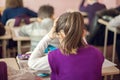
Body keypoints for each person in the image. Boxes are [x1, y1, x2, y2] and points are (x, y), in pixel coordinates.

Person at [28, 12, 104, 80]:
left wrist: (49, 36)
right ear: (83, 33)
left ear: (61, 34)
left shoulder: (55, 57)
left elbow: (31, 63)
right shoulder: (97, 53)